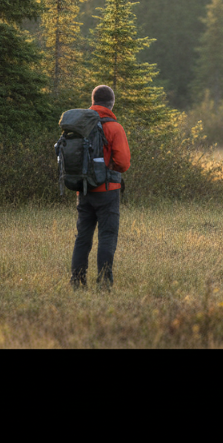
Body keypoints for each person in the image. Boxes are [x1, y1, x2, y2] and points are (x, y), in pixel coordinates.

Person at [70, 84, 130, 290]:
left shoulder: (79, 125)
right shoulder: (115, 127)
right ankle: (104, 282)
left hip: (84, 189)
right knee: (107, 236)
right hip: (108, 191)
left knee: (83, 237)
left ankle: (77, 281)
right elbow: (123, 163)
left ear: (93, 101)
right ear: (112, 104)